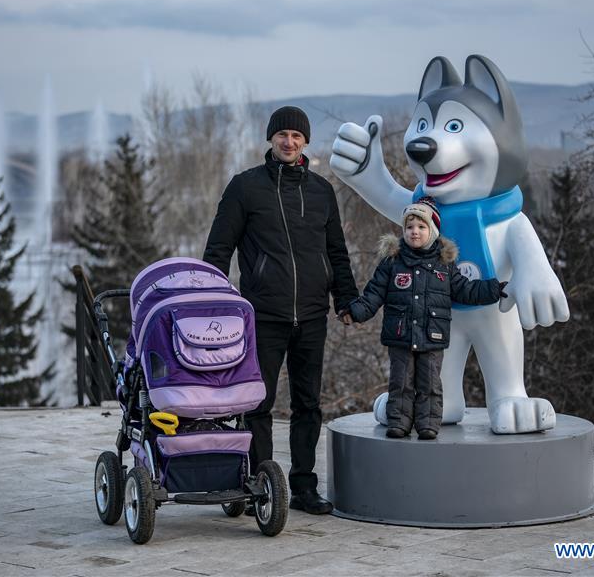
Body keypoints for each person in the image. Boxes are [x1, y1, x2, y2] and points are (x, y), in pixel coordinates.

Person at [203, 106, 357, 514]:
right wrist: (214, 305)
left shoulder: (322, 191)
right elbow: (218, 250)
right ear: (270, 139)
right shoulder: (245, 188)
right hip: (261, 315)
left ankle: (304, 488)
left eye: (297, 136)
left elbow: (336, 252)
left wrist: (346, 299)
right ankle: (256, 485)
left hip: (311, 315)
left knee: (309, 404)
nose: (289, 142)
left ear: (306, 141)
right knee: (257, 403)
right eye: (282, 135)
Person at [341, 198, 505, 439]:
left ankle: (428, 424)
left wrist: (492, 289)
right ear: (403, 231)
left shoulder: (445, 265)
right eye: (409, 227)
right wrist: (355, 312)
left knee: (430, 383)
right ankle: (398, 422)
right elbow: (373, 293)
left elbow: (464, 290)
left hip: (432, 334)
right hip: (400, 334)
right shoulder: (392, 261)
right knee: (401, 382)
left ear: (433, 231)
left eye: (421, 227)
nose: (414, 232)